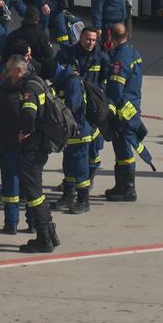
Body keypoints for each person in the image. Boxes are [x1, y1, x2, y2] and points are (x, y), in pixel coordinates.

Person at [0, 55, 60, 253]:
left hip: (31, 148)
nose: (7, 74)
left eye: (9, 71)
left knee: (34, 193)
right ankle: (49, 232)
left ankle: (44, 239)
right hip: (41, 146)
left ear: (19, 70)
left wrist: (24, 131)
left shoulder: (28, 88)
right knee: (36, 191)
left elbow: (29, 115)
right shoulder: (38, 82)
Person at [103, 23, 150, 201]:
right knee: (123, 145)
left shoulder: (120, 58)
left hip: (123, 109)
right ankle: (120, 185)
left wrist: (112, 108)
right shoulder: (133, 52)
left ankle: (128, 189)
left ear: (111, 37)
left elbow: (115, 88)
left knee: (123, 146)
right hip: (133, 105)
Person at [63, 25, 110, 186]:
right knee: (75, 147)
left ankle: (90, 173)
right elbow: (55, 73)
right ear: (80, 38)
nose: (91, 42)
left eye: (93, 40)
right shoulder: (68, 54)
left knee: (93, 145)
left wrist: (101, 94)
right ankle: (73, 180)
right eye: (88, 39)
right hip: (75, 106)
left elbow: (107, 79)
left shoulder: (101, 57)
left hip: (93, 107)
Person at [53, 61, 98, 214]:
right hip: (70, 133)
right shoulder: (64, 81)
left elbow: (72, 107)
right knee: (69, 166)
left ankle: (83, 200)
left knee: (80, 168)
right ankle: (68, 195)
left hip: (79, 132)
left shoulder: (72, 82)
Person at [4, 8, 57, 81]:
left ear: (24, 18)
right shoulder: (42, 35)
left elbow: (4, 57)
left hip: (14, 75)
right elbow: (49, 56)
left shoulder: (13, 35)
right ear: (38, 19)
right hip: (35, 76)